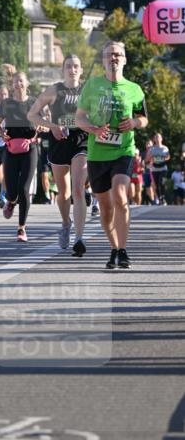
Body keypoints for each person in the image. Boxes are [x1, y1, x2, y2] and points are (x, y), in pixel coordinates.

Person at [75, 40, 148, 269]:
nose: (113, 58)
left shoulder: (134, 89)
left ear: (124, 59)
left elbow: (144, 118)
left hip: (123, 151)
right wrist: (95, 130)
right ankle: (115, 248)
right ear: (103, 60)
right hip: (97, 154)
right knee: (105, 208)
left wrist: (135, 122)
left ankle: (124, 250)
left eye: (117, 54)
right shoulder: (92, 86)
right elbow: (79, 118)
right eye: (109, 55)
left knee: (120, 196)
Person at [28, 54, 89, 256]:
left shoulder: (88, 90)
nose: (73, 69)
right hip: (59, 141)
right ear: (63, 70)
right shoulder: (54, 90)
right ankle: (66, 223)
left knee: (78, 189)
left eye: (76, 66)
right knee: (64, 193)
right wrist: (53, 126)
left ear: (81, 70)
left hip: (82, 141)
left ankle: (79, 238)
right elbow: (32, 115)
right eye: (69, 66)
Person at [0, 71, 40, 242]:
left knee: (24, 189)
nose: (18, 84)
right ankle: (11, 202)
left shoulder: (34, 102)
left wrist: (43, 128)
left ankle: (21, 228)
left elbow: (44, 123)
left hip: (30, 148)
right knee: (12, 191)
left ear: (27, 83)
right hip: (11, 149)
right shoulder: (7, 103)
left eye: (21, 81)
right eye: (15, 82)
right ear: (12, 85)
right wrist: (2, 133)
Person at [146, 132, 170, 205]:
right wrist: (151, 157)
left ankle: (163, 197)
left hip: (163, 168)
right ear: (154, 139)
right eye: (156, 137)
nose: (158, 138)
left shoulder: (165, 148)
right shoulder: (152, 149)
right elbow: (147, 159)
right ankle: (160, 199)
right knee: (156, 184)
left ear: (161, 139)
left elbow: (168, 157)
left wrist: (164, 158)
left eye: (159, 137)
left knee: (161, 182)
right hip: (155, 169)